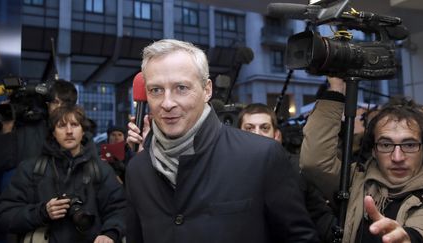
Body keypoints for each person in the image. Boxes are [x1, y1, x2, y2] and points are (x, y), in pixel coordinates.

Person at [124, 39, 319, 243]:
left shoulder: (260, 156)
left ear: (207, 90)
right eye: (156, 90)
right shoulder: (138, 169)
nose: (167, 103)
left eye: (181, 88)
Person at [300, 76, 423, 242]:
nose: (397, 157)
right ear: (373, 150)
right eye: (386, 145)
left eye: (409, 145)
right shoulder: (355, 180)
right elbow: (315, 162)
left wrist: (409, 239)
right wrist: (337, 87)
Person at [0, 105, 126, 243]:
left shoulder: (100, 169)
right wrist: (42, 212)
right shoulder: (31, 169)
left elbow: (119, 209)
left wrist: (110, 233)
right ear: (53, 133)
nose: (69, 131)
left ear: (83, 132)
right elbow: (4, 215)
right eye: (62, 126)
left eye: (74, 125)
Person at [238, 103, 337, 242]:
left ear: (277, 136)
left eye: (264, 128)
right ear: (237, 134)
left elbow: (320, 218)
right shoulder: (229, 171)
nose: (257, 134)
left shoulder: (298, 168)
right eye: (249, 128)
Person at [0, 79, 78, 242]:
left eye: (62, 103)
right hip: (22, 210)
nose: (58, 107)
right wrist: (7, 128)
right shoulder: (28, 126)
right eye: (54, 102)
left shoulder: (71, 134)